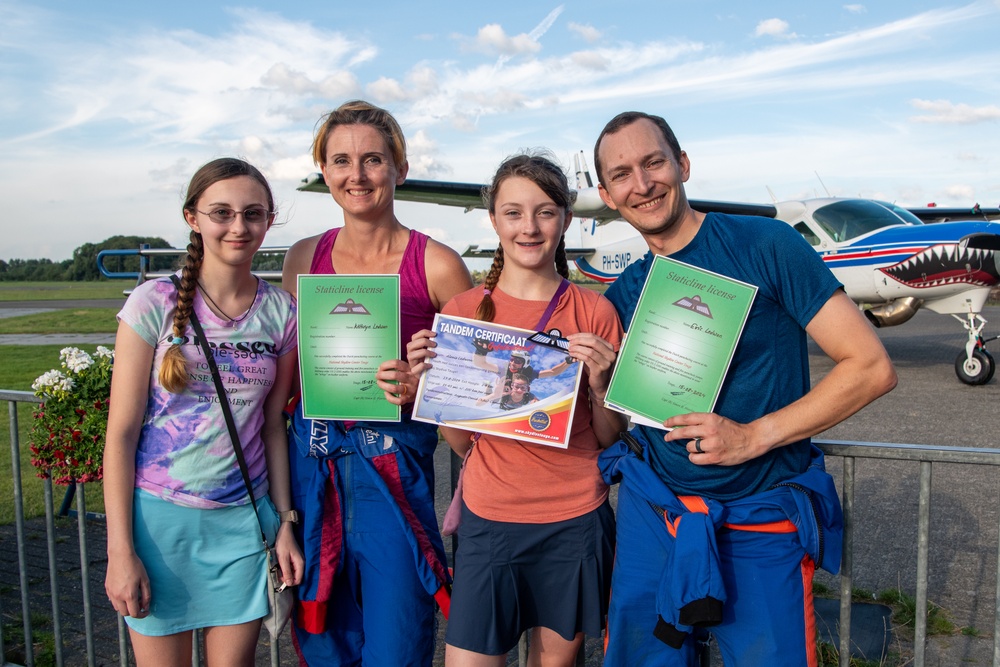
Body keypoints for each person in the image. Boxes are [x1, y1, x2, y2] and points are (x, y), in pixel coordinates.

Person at [592, 111, 898, 666]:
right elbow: (610, 426)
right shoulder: (623, 293)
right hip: (653, 518)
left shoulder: (765, 245)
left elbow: (871, 365)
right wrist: (597, 383)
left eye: (654, 162)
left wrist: (755, 436)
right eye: (621, 174)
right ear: (607, 195)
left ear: (683, 165)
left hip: (757, 521)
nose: (642, 184)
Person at [408, 152, 626, 667]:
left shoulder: (594, 311)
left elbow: (612, 437)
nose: (529, 227)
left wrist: (599, 382)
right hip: (490, 518)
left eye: (545, 211)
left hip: (574, 518)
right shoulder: (461, 312)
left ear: (566, 220)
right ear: (494, 220)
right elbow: (463, 445)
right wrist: (435, 393)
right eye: (513, 212)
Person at [281, 100, 473, 666]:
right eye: (341, 160)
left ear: (399, 168)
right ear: (325, 172)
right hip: (314, 471)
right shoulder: (301, 258)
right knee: (326, 643)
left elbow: (470, 386)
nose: (356, 175)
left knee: (397, 642)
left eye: (372, 160)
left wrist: (422, 385)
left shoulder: (437, 264)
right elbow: (288, 374)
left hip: (393, 475)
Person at [103, 158, 304, 665]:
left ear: (269, 219)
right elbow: (121, 434)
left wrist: (284, 522)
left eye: (253, 214)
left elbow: (272, 427)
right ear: (193, 217)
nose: (239, 227)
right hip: (159, 528)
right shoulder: (154, 302)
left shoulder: (281, 312)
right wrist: (120, 551)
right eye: (222, 212)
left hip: (241, 527)